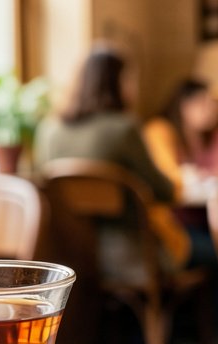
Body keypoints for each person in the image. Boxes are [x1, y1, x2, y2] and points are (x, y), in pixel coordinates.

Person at [34, 47, 192, 283]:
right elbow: (163, 191)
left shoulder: (49, 130)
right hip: (129, 257)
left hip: (69, 257)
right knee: (211, 250)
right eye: (130, 79)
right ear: (118, 82)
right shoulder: (123, 128)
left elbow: (42, 189)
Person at [142, 78, 218, 203]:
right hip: (175, 206)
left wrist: (199, 176)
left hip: (215, 204)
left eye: (214, 103)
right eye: (202, 103)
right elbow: (166, 174)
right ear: (183, 106)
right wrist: (204, 176)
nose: (212, 110)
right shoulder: (159, 131)